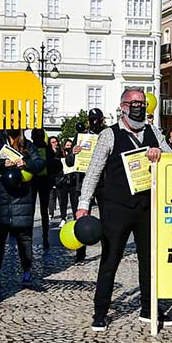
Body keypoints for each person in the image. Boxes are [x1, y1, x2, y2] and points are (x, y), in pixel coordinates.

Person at [75, 89, 172, 331]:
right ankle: (100, 311)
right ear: (123, 106)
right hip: (116, 207)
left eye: (142, 103)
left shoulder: (154, 132)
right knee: (110, 260)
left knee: (148, 261)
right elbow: (94, 171)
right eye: (134, 103)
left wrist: (160, 154)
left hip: (146, 207)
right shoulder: (109, 135)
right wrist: (83, 205)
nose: (139, 107)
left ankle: (149, 309)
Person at [0, 120, 45, 287]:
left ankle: (27, 271)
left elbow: (40, 164)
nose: (12, 124)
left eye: (16, 121)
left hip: (22, 198)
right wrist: (3, 163)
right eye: (10, 119)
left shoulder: (27, 145)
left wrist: (26, 163)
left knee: (24, 237)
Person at [66, 109, 106, 263]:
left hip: (103, 183)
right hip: (82, 182)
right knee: (81, 217)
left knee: (107, 217)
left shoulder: (107, 134)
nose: (94, 122)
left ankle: (107, 250)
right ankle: (80, 252)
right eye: (91, 120)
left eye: (97, 120)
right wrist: (73, 152)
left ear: (102, 120)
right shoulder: (80, 137)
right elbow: (69, 162)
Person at [30, 129, 54, 249]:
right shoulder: (45, 148)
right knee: (41, 210)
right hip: (38, 180)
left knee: (35, 209)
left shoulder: (32, 147)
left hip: (39, 180)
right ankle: (44, 237)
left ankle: (43, 236)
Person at [56, 138, 76, 225]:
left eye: (70, 146)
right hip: (62, 181)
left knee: (74, 201)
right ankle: (63, 217)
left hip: (73, 181)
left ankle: (75, 217)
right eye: (67, 145)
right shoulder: (60, 155)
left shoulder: (75, 155)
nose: (68, 147)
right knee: (63, 201)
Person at [47, 136, 61, 220]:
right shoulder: (48, 152)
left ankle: (62, 212)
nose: (55, 143)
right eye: (52, 142)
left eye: (56, 141)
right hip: (50, 176)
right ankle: (50, 213)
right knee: (51, 196)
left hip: (59, 175)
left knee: (60, 195)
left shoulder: (60, 151)